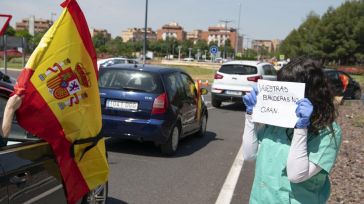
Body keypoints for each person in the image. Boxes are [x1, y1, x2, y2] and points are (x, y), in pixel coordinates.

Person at [242, 57, 342, 203]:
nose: (282, 96)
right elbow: (249, 155)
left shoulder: (328, 132)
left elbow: (296, 175)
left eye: (288, 88)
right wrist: (250, 115)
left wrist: (301, 128)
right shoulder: (278, 118)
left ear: (310, 92)